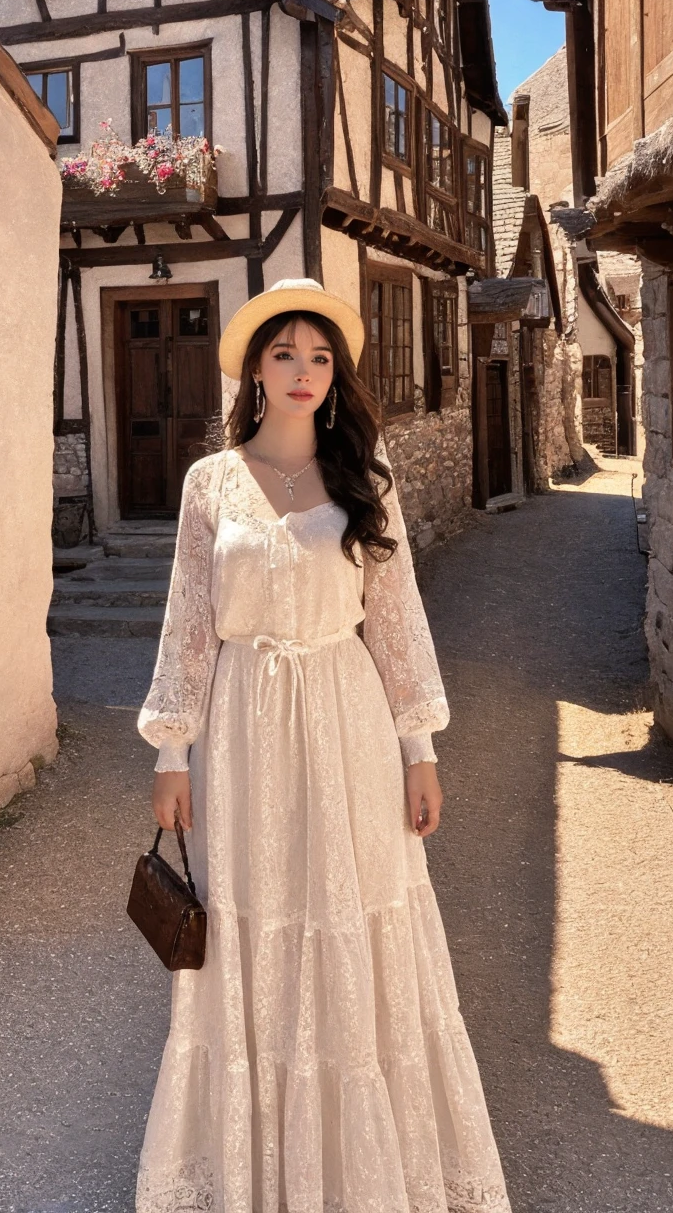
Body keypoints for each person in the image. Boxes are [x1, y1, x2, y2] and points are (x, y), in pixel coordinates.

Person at [135, 277, 510, 1213]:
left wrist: (419, 744)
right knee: (255, 920)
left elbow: (397, 620)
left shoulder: (364, 478)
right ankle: (253, 1171)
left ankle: (363, 1175)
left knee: (354, 909)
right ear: (255, 371)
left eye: (318, 355)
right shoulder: (209, 483)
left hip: (347, 728)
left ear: (334, 373)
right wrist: (170, 753)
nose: (303, 371)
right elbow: (186, 625)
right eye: (282, 353)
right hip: (242, 737)